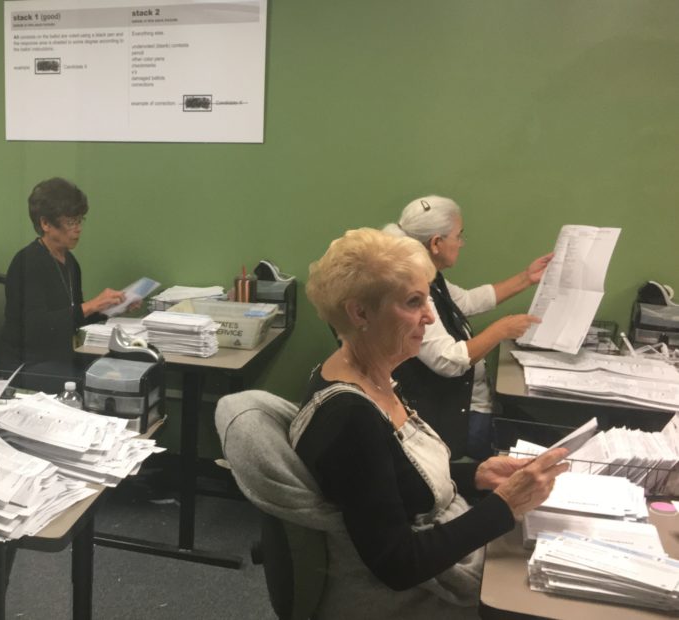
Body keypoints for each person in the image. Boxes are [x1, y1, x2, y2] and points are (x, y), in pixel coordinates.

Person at [225, 228, 566, 618]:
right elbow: (399, 564)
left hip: (424, 567)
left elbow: (384, 479)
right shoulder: (351, 417)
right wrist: (505, 505)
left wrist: (475, 475)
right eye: (413, 302)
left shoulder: (368, 375)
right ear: (360, 313)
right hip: (393, 599)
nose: (430, 316)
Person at [384, 195, 551, 459]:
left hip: (473, 403)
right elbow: (448, 361)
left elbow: (466, 301)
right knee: (546, 445)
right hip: (456, 419)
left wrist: (526, 278)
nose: (461, 243)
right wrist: (501, 330)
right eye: (458, 236)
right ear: (436, 243)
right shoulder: (412, 292)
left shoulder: (427, 275)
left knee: (545, 435)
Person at [0, 177, 125, 374]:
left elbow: (74, 320)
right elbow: (36, 328)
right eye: (71, 222)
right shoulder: (27, 261)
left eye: (80, 220)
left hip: (59, 356)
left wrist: (109, 309)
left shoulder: (70, 262)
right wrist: (91, 305)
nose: (78, 228)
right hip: (28, 365)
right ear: (46, 223)